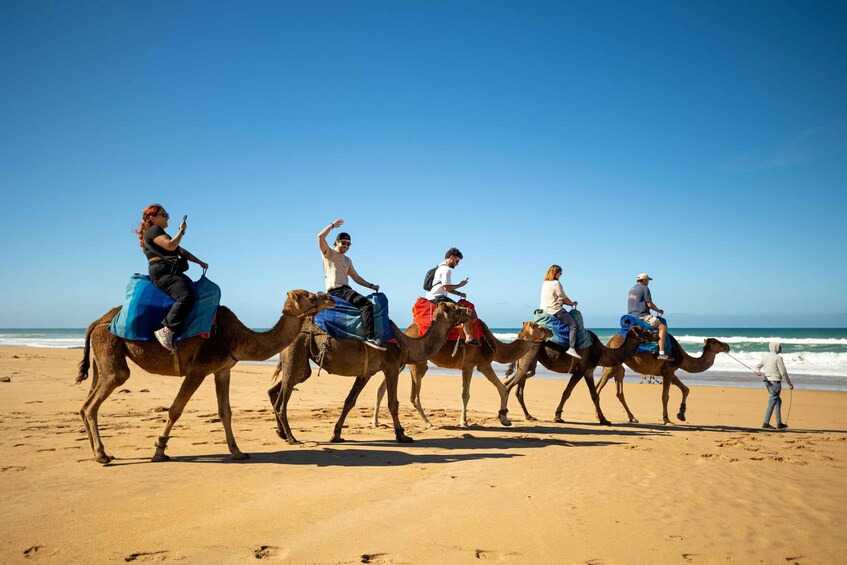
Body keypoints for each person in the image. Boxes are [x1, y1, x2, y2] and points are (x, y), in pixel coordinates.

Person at [136, 204, 208, 352]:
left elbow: (182, 251)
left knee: (195, 293)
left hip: (171, 271)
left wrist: (199, 262)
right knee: (185, 297)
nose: (168, 217)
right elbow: (170, 245)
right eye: (164, 214)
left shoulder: (161, 233)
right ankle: (166, 330)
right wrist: (181, 231)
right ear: (152, 217)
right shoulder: (154, 231)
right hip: (163, 273)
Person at [318, 219, 386, 350]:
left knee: (364, 304)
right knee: (366, 304)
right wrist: (332, 225)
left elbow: (356, 277)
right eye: (343, 243)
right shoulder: (329, 253)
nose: (346, 246)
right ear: (337, 242)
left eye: (349, 244)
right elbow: (320, 237)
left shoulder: (348, 260)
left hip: (346, 289)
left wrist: (371, 286)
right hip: (336, 290)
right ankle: (370, 337)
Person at [424, 247, 479, 346]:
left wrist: (459, 293)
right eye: (457, 261)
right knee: (463, 313)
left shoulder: (439, 267)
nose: (457, 264)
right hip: (439, 298)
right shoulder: (446, 270)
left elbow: (444, 287)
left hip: (432, 297)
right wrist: (460, 285)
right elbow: (446, 287)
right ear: (452, 257)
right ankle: (469, 337)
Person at [627, 272, 672, 360]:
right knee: (662, 327)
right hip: (642, 316)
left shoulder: (632, 289)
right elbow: (649, 304)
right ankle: (662, 353)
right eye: (647, 280)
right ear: (644, 280)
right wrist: (659, 310)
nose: (648, 282)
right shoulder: (645, 288)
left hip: (631, 316)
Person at [540, 265, 581, 359]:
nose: (560, 275)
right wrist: (572, 304)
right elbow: (563, 297)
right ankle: (572, 348)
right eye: (560, 273)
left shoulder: (545, 283)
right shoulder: (556, 283)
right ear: (556, 273)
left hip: (545, 310)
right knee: (573, 325)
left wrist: (567, 302)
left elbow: (557, 298)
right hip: (555, 310)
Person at [756, 341, 794, 429]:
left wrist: (758, 372)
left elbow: (757, 366)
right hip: (775, 383)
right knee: (772, 402)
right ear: (775, 347)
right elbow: (783, 372)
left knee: (778, 401)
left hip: (768, 383)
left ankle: (779, 423)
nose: (781, 348)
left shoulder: (765, 357)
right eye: (780, 347)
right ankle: (766, 423)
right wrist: (789, 383)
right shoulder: (778, 358)